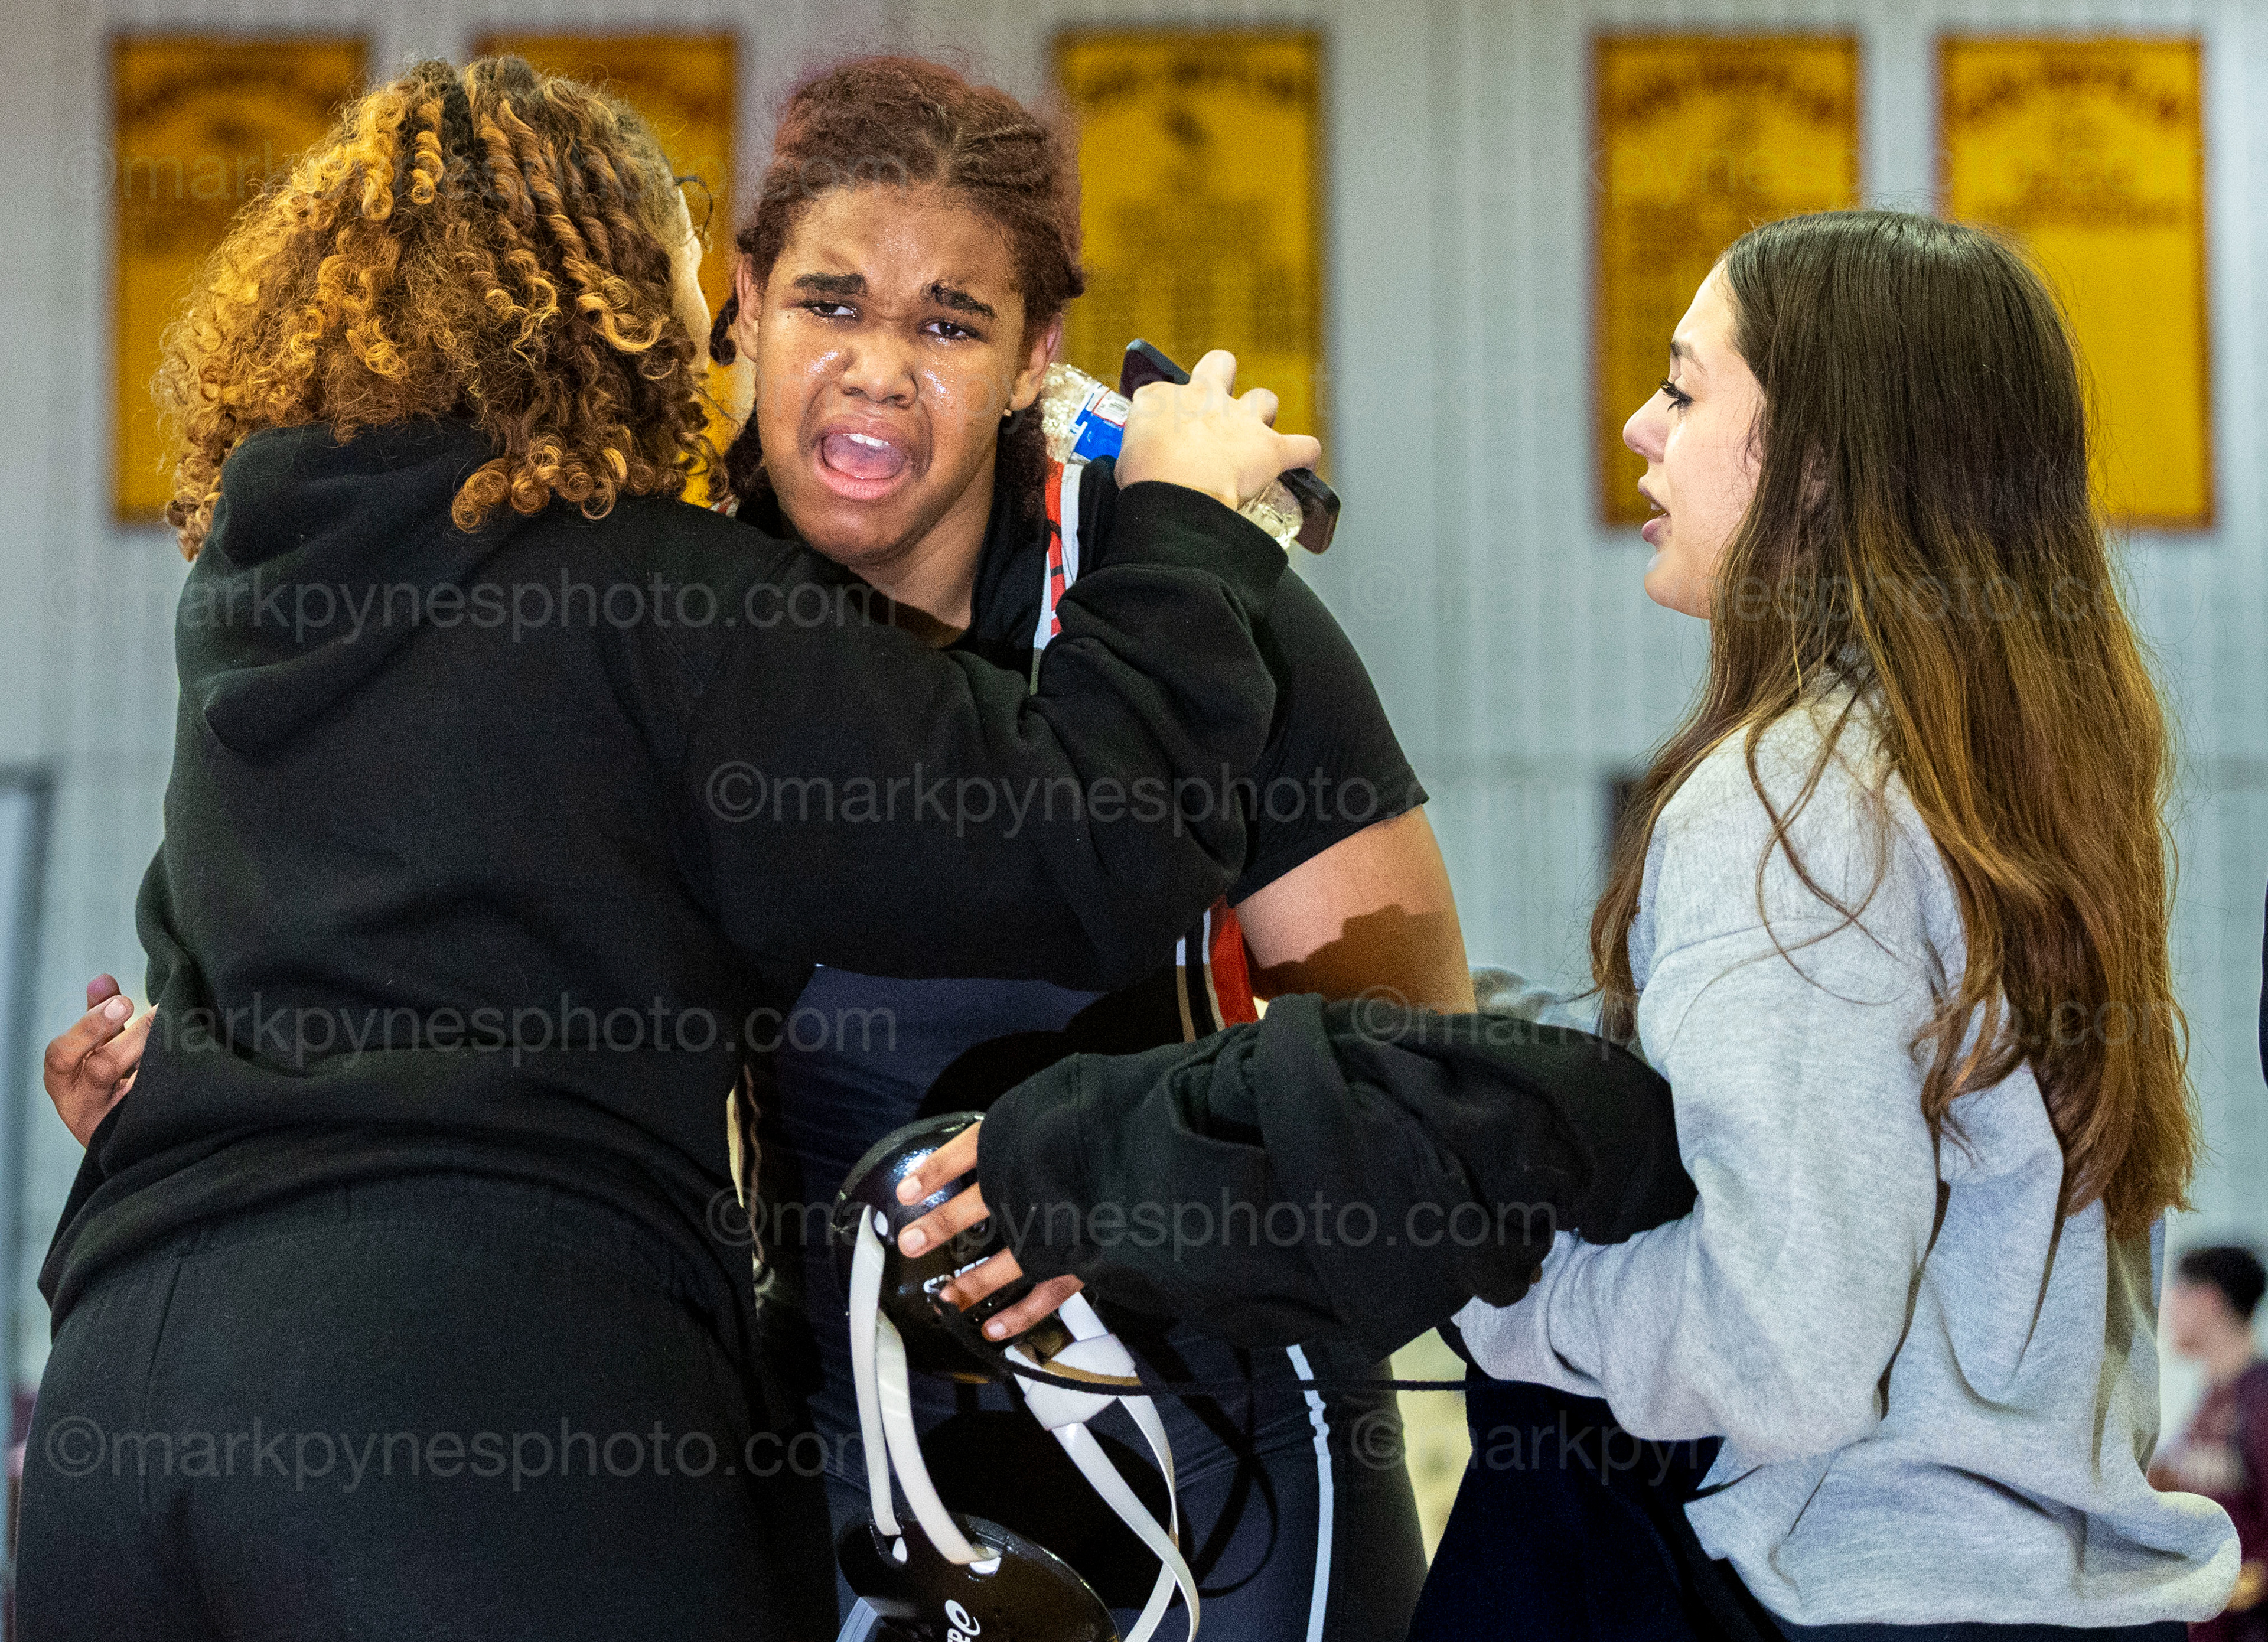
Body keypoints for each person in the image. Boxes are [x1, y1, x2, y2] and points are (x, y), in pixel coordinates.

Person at [22, 56, 1315, 1642]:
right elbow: (1098, 832)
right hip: (464, 1394)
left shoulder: (255, 589)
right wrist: (1188, 520)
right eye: (700, 278)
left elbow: (218, 951)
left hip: (119, 1401)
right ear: (602, 299)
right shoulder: (657, 591)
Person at [701, 56, 1459, 1640]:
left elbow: (1405, 1064)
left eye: (949, 323)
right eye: (829, 303)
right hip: (835, 1416)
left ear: (1036, 353)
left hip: (1218, 1406)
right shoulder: (665, 593)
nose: (877, 370)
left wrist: (1144, 1187)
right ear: (747, 300)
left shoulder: (1189, 585)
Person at [1429, 210, 2238, 1637]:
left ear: (1813, 467)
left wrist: (1490, 1282)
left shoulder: (1792, 792)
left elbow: (1779, 1350)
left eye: (1682, 389)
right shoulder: (2019, 770)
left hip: (1860, 1601)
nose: (1637, 426)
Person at [2153, 1246, 2268, 1640]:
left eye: (2177, 1293)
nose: (2167, 1310)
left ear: (2207, 1300)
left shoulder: (2260, 1397)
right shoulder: (2210, 1397)